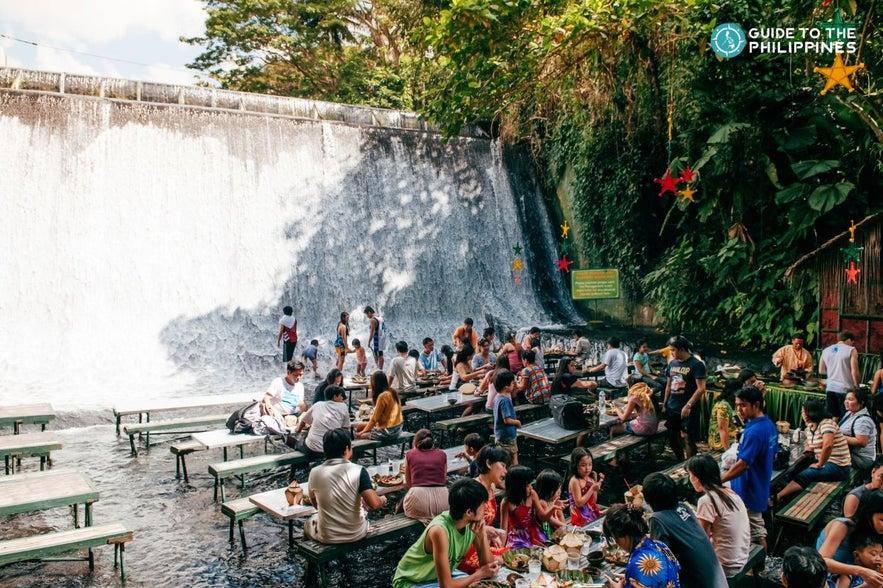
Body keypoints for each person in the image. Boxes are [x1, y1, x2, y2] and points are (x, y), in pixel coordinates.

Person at [392, 478, 500, 588]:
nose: (486, 507)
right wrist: (479, 574)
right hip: (411, 581)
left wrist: (482, 535)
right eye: (483, 504)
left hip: (436, 578)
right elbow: (446, 586)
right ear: (469, 512)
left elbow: (489, 566)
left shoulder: (471, 523)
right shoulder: (440, 531)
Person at [643, 472, 728, 588]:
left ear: (648, 499)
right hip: (718, 580)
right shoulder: (683, 507)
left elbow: (659, 562)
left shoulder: (657, 519)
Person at [304, 428, 387, 544]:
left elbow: (316, 505)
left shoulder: (314, 472)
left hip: (327, 536)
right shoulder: (359, 471)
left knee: (307, 524)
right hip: (356, 533)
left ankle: (310, 561)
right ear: (347, 449)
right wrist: (382, 500)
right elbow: (374, 504)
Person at [721, 386, 778, 550]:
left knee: (756, 531)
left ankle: (759, 566)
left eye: (743, 405)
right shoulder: (768, 425)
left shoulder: (756, 431)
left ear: (757, 404)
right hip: (759, 482)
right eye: (737, 405)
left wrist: (720, 479)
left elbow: (743, 465)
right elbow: (773, 454)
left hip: (749, 487)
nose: (739, 409)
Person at [686, 454, 750, 577]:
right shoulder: (729, 492)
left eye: (690, 475)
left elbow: (702, 539)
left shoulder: (706, 500)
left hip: (727, 565)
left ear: (697, 478)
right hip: (741, 556)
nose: (690, 479)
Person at [776, 399, 851, 504]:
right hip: (825, 462)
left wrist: (820, 464)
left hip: (839, 466)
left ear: (811, 412)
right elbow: (810, 444)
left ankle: (777, 497)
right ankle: (790, 498)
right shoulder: (810, 427)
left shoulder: (827, 423)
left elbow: (828, 445)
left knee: (805, 474)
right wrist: (808, 449)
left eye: (803, 411)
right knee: (795, 470)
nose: (802, 414)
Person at [457, 446, 511, 574]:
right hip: (468, 549)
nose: (505, 472)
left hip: (483, 544)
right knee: (506, 561)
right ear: (488, 463)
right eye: (502, 465)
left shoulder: (491, 486)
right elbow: (460, 525)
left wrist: (491, 536)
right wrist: (487, 531)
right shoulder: (473, 490)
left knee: (512, 554)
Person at [601, 503, 681, 588]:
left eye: (614, 538)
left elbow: (647, 575)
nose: (617, 543)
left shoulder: (636, 566)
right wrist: (630, 580)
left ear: (623, 537)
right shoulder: (660, 545)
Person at [817, 489, 883, 586]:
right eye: (882, 520)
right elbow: (821, 561)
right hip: (828, 580)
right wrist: (861, 571)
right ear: (868, 515)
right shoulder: (841, 527)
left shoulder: (874, 532)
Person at [662, 335, 708, 460]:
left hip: (689, 408)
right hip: (673, 406)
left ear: (682, 349)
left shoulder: (696, 365)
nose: (671, 353)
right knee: (672, 436)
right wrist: (665, 404)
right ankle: (680, 461)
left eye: (673, 350)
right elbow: (668, 385)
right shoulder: (672, 364)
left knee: (688, 438)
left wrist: (688, 405)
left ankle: (690, 464)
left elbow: (701, 388)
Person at [403, 429, 449, 525]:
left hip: (419, 503)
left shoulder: (409, 454)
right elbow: (443, 480)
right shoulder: (442, 454)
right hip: (444, 503)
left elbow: (409, 484)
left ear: (415, 443)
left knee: (405, 499)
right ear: (432, 443)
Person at [500, 465, 549, 548]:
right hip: (518, 535)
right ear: (517, 486)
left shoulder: (532, 494)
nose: (531, 487)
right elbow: (503, 530)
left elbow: (542, 517)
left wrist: (553, 508)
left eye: (531, 484)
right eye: (528, 485)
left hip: (533, 530)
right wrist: (501, 548)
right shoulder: (506, 502)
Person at [295, 385, 350, 458]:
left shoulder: (318, 405)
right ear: (334, 397)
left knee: (300, 442)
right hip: (333, 450)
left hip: (313, 449)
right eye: (341, 395)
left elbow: (304, 420)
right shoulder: (343, 406)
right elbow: (345, 428)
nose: (342, 397)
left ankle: (298, 466)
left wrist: (298, 430)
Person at [820, 331, 861, 419]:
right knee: (845, 418)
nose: (852, 344)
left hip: (830, 388)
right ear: (849, 340)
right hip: (845, 389)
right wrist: (857, 387)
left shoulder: (826, 350)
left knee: (834, 416)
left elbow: (821, 371)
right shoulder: (851, 350)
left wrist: (833, 373)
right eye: (852, 342)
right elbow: (855, 371)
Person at [355, 371, 403, 440]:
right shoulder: (393, 391)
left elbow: (374, 419)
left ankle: (355, 449)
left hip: (387, 432)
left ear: (375, 382)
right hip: (397, 428)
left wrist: (362, 432)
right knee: (359, 426)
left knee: (360, 435)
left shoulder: (382, 396)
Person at [839, 388, 877, 472]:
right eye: (846, 399)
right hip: (849, 453)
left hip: (861, 459)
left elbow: (861, 442)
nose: (846, 402)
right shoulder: (849, 413)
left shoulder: (863, 420)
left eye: (850, 399)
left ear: (861, 402)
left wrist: (837, 436)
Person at [261, 359, 307, 424]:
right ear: (288, 372)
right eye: (295, 375)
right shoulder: (278, 382)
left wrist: (304, 415)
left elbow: (301, 404)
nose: (298, 377)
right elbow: (265, 398)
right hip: (278, 416)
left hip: (294, 416)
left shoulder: (300, 386)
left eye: (301, 375)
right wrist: (272, 411)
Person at [568, 447, 603, 525]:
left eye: (590, 464)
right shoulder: (575, 480)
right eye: (583, 465)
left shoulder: (591, 477)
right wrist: (592, 489)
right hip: (579, 516)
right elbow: (579, 503)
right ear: (575, 465)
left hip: (591, 511)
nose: (587, 468)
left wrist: (596, 487)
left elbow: (594, 501)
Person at [492, 369, 521, 465]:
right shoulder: (505, 400)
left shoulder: (497, 397)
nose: (514, 385)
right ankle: (515, 474)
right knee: (513, 456)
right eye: (512, 383)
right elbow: (507, 420)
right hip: (507, 435)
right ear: (506, 387)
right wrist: (517, 422)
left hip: (499, 434)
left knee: (502, 457)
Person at [708, 379, 741, 451]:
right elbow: (722, 429)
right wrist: (728, 451)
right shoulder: (723, 406)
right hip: (721, 442)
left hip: (733, 436)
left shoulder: (732, 404)